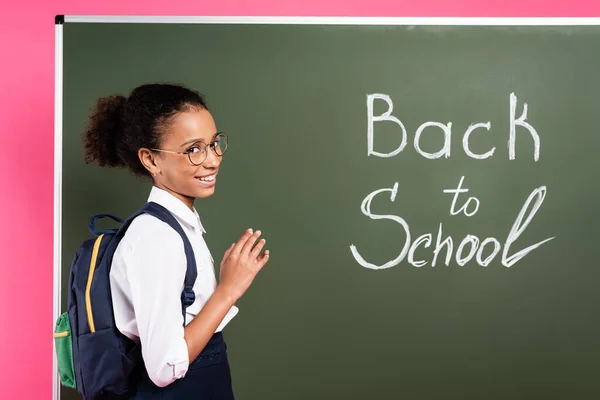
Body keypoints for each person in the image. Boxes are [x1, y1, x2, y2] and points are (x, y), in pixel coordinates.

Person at [82, 82, 270, 399]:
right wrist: (228, 290)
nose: (212, 160)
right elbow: (164, 367)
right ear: (151, 160)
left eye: (213, 144)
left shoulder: (177, 227)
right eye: (193, 149)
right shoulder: (156, 237)